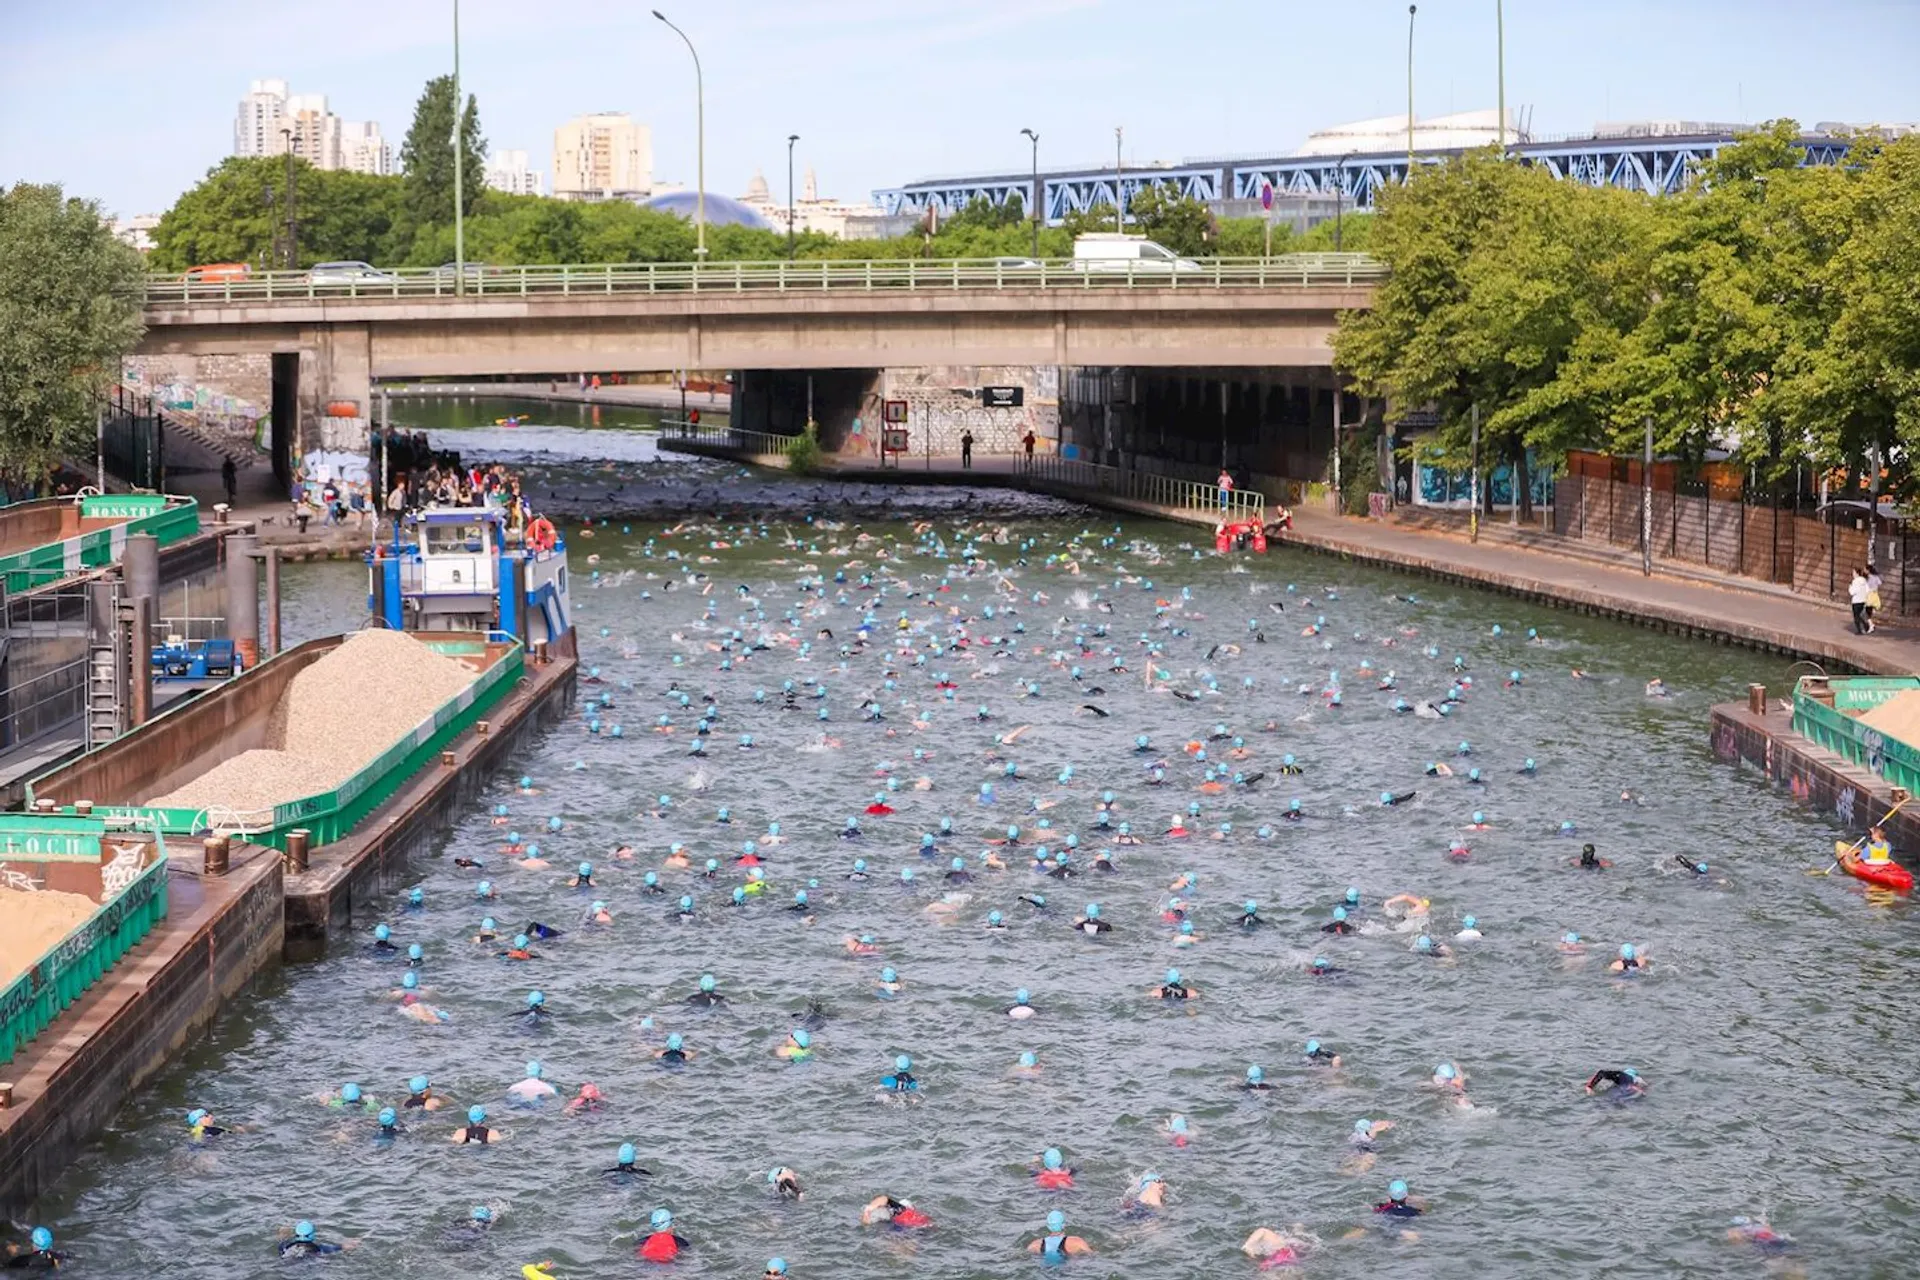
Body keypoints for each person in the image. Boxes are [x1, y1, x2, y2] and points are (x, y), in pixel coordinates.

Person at [1027, 1209, 1093, 1258]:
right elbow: (1092, 1255)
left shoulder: (1035, 1245)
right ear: (1063, 1224)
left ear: (1048, 1226)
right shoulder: (1076, 1241)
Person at [3, 1226, 69, 1270]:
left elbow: (5, 1267)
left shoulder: (22, 1260)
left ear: (34, 1243)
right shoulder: (59, 1256)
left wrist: (9, 1252)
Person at [277, 1220, 346, 1259]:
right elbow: (338, 1247)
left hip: (290, 1260)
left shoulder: (286, 1247)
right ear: (312, 1235)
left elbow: (282, 1241)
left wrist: (284, 1234)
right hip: (312, 1263)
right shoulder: (321, 1248)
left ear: (296, 1234)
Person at [860, 1195, 932, 1229]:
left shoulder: (898, 1208)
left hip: (916, 1227)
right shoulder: (891, 1216)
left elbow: (884, 1198)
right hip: (912, 1228)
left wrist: (868, 1210)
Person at [1866, 563, 1883, 633]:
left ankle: (1871, 625)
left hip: (1869, 595)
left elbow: (1867, 587)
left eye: (1865, 569)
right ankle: (1870, 622)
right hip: (1875, 595)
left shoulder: (1869, 578)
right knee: (1868, 610)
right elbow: (1880, 583)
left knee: (1865, 611)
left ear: (1868, 570)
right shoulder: (1876, 577)